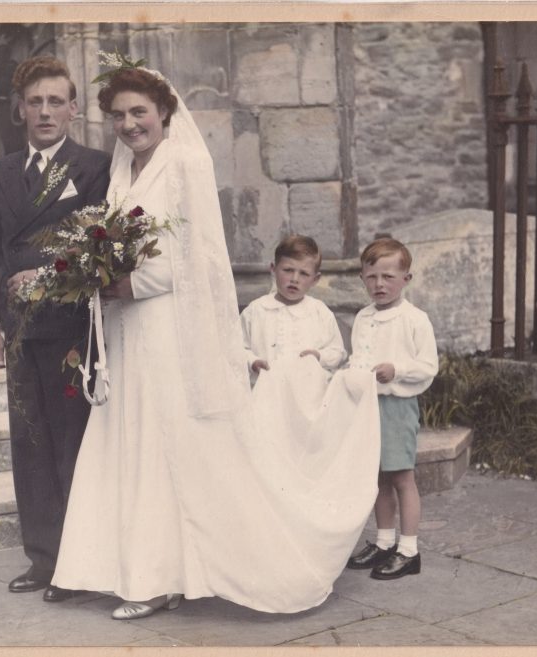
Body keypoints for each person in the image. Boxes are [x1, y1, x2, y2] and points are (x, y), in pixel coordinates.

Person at [50, 59, 381, 619]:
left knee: (162, 443)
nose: (129, 125)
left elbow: (197, 258)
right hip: (126, 329)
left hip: (166, 326)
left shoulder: (184, 163)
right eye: (118, 116)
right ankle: (143, 569)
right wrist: (95, 275)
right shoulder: (124, 170)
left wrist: (129, 283)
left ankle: (159, 579)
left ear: (164, 113)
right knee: (130, 439)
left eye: (139, 113)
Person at [0, 56, 111, 603]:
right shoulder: (7, 171)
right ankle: (44, 557)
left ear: (74, 109)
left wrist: (50, 272)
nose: (45, 111)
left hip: (70, 326)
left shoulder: (96, 167)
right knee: (28, 442)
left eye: (57, 101)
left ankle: (79, 562)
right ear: (20, 110)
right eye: (35, 102)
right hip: (18, 327)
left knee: (70, 442)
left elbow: (100, 245)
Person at [345, 237, 439, 580]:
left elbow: (428, 366)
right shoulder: (363, 318)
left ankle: (409, 549)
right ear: (362, 279)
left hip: (397, 405)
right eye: (372, 277)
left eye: (388, 277)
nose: (379, 284)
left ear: (406, 279)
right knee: (377, 477)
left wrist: (396, 370)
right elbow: (358, 358)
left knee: (401, 476)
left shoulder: (414, 319)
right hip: (367, 406)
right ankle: (384, 542)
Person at [240, 234, 346, 382]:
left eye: (304, 273)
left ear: (315, 279)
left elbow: (337, 351)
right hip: (268, 388)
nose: (295, 279)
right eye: (288, 270)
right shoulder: (256, 310)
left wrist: (319, 356)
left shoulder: (319, 312)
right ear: (273, 269)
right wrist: (253, 362)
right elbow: (239, 349)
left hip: (309, 390)